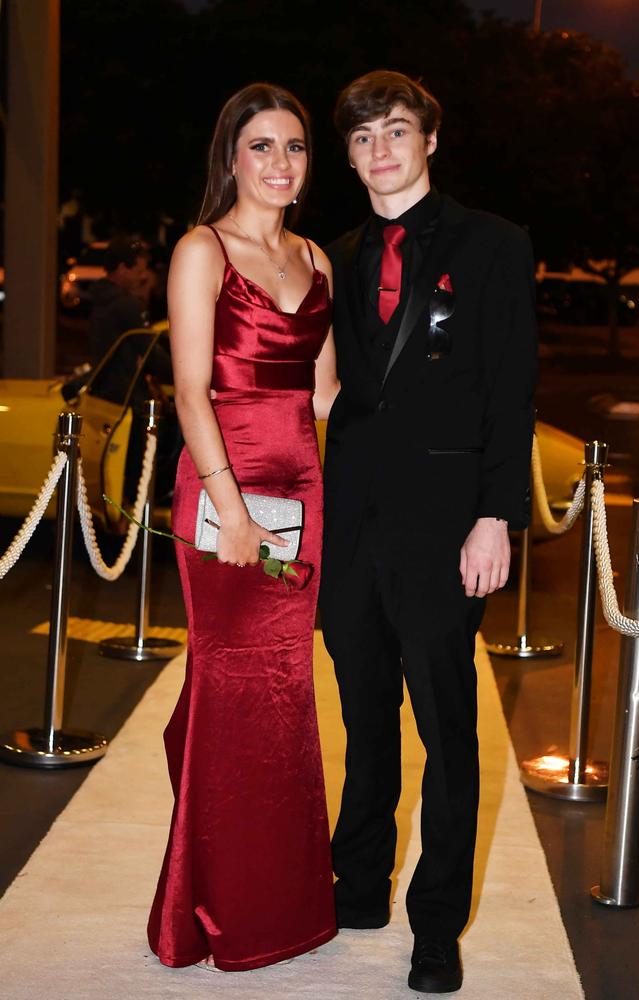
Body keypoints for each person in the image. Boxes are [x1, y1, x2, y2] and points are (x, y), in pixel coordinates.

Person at [320, 70, 537, 994]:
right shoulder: (332, 256)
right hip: (350, 523)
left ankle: (435, 925)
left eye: (396, 131)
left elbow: (510, 391)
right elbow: (333, 390)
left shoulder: (492, 246)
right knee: (364, 724)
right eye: (364, 138)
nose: (380, 151)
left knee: (447, 734)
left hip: (449, 527)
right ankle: (358, 885)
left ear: (430, 140)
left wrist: (497, 517)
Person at [147, 83, 340, 972]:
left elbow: (328, 394)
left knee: (285, 695)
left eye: (294, 147)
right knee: (233, 693)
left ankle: (283, 903)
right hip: (225, 491)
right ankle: (207, 910)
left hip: (301, 490)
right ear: (231, 156)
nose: (279, 164)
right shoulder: (202, 250)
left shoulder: (317, 259)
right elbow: (192, 393)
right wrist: (229, 512)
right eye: (261, 147)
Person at [88, 236, 150, 363]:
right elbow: (150, 353)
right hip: (126, 382)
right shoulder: (127, 305)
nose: (143, 277)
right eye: (139, 272)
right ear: (122, 269)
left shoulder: (98, 298)